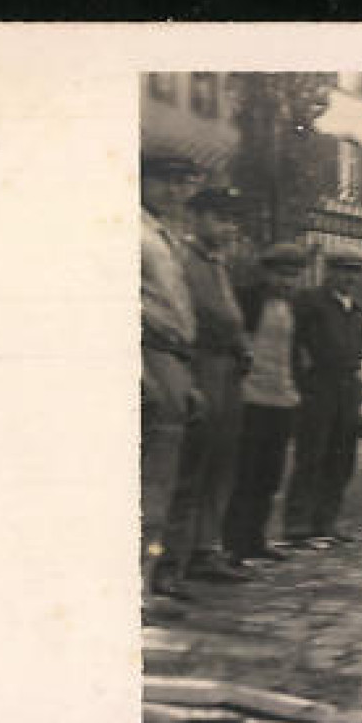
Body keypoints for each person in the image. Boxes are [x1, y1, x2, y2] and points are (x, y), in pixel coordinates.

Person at [155, 186, 255, 597]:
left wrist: (242, 345)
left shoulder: (219, 265)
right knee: (190, 466)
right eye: (219, 218)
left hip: (228, 372)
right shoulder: (183, 260)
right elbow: (191, 316)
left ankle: (204, 549)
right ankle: (169, 561)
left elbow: (230, 317)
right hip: (200, 366)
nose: (228, 227)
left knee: (220, 463)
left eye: (232, 220)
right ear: (196, 219)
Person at [139, 152, 205, 624]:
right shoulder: (132, 231)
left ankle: (147, 578)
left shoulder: (167, 237)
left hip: (175, 359)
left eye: (181, 183)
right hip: (147, 353)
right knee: (148, 478)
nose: (174, 192)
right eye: (163, 181)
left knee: (165, 476)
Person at [282, 251, 362, 547]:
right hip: (318, 386)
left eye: (355, 273)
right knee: (312, 453)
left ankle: (326, 522)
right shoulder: (310, 302)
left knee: (341, 457)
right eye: (343, 271)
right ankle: (297, 525)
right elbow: (292, 340)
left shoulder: (356, 310)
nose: (349, 278)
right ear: (330, 272)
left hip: (348, 386)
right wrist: (302, 376)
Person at [223, 242, 308, 562]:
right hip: (249, 398)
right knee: (244, 473)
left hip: (283, 399)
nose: (287, 282)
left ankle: (256, 538)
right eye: (281, 274)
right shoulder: (246, 299)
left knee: (270, 476)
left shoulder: (297, 307)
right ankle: (233, 543)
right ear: (267, 272)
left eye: (294, 275)